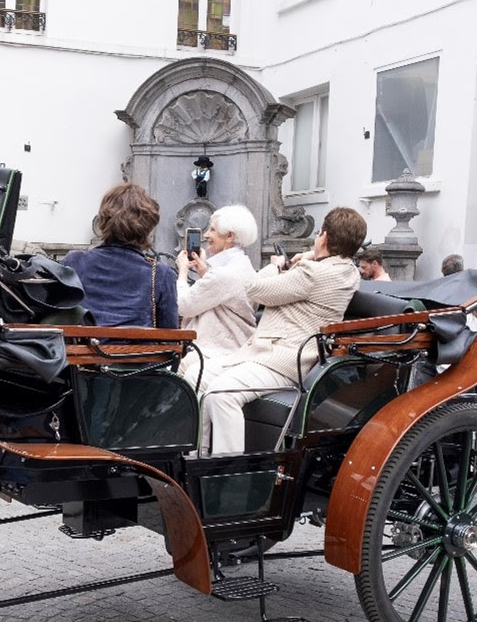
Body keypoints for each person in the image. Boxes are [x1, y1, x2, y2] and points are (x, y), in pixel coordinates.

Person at [196, 207, 367, 454]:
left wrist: (276, 266)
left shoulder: (311, 273)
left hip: (280, 359)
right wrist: (310, 255)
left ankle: (226, 472)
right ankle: (198, 457)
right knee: (198, 376)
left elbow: (254, 289)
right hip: (272, 354)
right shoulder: (349, 272)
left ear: (324, 237)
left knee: (220, 394)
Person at [61, 183, 177, 328]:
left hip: (79, 349)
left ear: (103, 219)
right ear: (148, 226)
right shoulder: (161, 273)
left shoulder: (74, 261)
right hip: (139, 351)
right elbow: (170, 335)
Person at [175, 204, 257, 383]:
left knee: (173, 372)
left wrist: (182, 272)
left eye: (212, 230)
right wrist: (204, 272)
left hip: (217, 351)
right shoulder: (243, 266)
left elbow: (183, 306)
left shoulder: (223, 274)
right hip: (233, 347)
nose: (205, 235)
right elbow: (224, 297)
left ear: (230, 236)